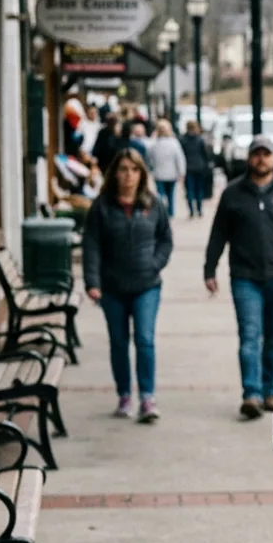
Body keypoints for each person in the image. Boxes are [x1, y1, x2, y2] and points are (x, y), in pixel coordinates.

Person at [203, 135, 273, 420]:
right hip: (245, 276)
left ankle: (272, 391)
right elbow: (219, 233)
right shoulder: (233, 193)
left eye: (266, 154)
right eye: (256, 154)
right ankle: (250, 393)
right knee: (249, 337)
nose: (261, 159)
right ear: (249, 158)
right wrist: (209, 268)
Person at [81, 149, 173, 423]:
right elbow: (91, 246)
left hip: (147, 285)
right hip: (112, 287)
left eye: (134, 170)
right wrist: (93, 282)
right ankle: (124, 395)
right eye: (123, 169)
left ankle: (147, 396)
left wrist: (155, 263)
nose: (128, 175)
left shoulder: (153, 204)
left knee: (144, 339)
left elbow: (166, 239)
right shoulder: (102, 207)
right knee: (119, 342)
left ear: (141, 174)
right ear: (115, 173)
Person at [148, 119, 187, 217]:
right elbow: (180, 158)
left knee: (160, 194)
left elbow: (150, 159)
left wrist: (151, 169)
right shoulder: (174, 143)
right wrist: (182, 172)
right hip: (171, 174)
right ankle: (170, 212)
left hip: (159, 173)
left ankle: (161, 212)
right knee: (171, 195)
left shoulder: (154, 143)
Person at [181, 119, 215, 218]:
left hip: (188, 167)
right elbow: (205, 154)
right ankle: (199, 210)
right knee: (199, 189)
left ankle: (192, 211)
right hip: (199, 167)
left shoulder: (183, 140)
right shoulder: (199, 140)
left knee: (190, 190)